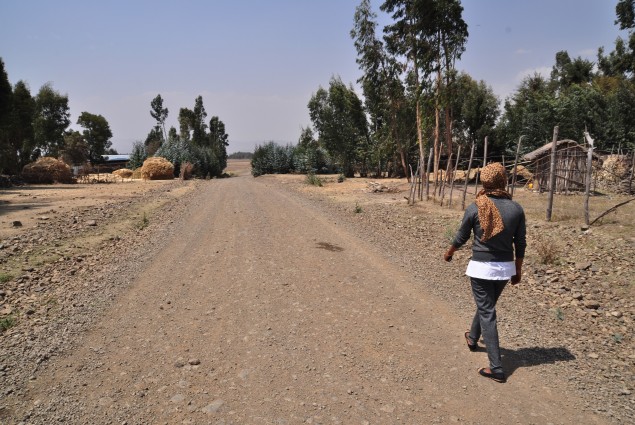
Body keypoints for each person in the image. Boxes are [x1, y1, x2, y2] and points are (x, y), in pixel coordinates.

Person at [444, 162, 526, 383]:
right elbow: (520, 243)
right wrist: (517, 271)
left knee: (487, 311)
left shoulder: (476, 206)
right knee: (486, 305)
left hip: (481, 268)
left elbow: (461, 237)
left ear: (485, 181)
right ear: (503, 181)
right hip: (505, 268)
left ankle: (497, 368)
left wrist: (449, 252)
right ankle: (472, 338)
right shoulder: (516, 209)